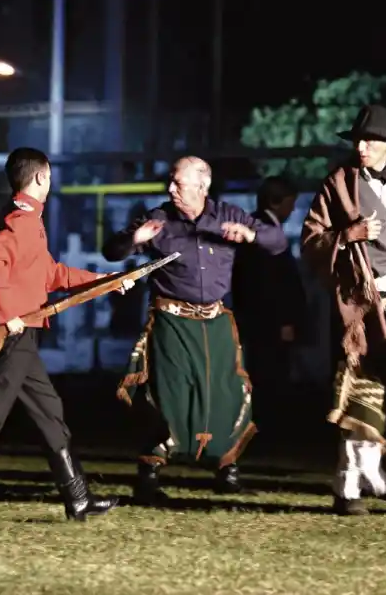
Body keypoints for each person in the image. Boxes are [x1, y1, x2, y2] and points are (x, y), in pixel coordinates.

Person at [0, 147, 132, 529]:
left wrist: (106, 281)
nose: (50, 182)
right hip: (14, 335)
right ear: (40, 178)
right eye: (48, 176)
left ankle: (78, 499)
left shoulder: (29, 219)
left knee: (49, 412)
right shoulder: (22, 221)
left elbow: (53, 274)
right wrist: (7, 315)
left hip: (24, 336)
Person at [105, 156, 288, 503]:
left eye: (178, 183)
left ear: (202, 186)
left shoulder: (228, 215)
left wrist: (250, 235)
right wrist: (134, 239)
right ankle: (149, 475)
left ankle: (227, 470)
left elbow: (278, 242)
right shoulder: (159, 219)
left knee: (226, 393)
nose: (170, 189)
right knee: (167, 395)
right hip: (171, 322)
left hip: (216, 322)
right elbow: (111, 251)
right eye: (171, 182)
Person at [301, 104, 386, 516]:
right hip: (363, 306)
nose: (361, 147)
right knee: (361, 396)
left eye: (370, 141)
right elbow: (311, 240)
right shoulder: (339, 183)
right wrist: (347, 235)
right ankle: (348, 490)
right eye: (358, 140)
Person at [231, 176, 306, 439]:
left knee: (265, 373)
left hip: (259, 320)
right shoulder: (261, 232)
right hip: (268, 322)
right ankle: (267, 429)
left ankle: (264, 426)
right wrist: (284, 321)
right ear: (276, 202)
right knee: (269, 375)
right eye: (290, 203)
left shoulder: (256, 227)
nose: (292, 210)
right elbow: (269, 283)